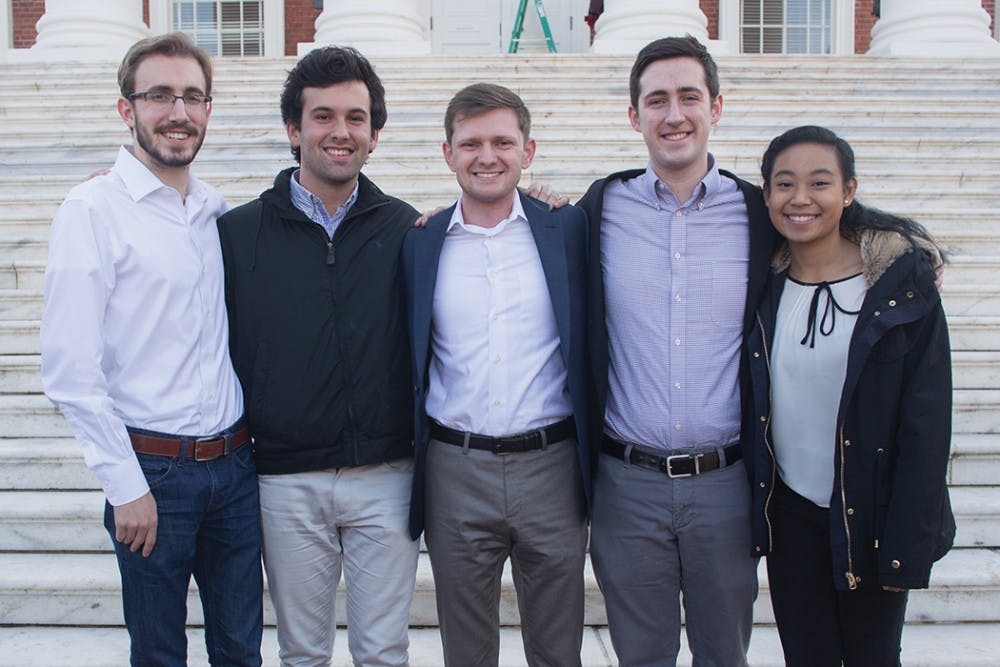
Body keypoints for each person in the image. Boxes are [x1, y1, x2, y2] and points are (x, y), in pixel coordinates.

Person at [40, 33, 262, 666]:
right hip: (152, 475)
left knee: (241, 652)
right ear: (126, 109)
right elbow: (70, 373)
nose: (178, 112)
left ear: (209, 110)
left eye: (193, 96)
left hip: (235, 468)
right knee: (160, 653)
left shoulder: (214, 210)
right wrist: (123, 485)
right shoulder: (92, 211)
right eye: (159, 95)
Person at [575, 35, 777, 665]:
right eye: (656, 100)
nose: (674, 114)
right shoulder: (600, 207)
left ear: (716, 106)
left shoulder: (759, 212)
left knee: (725, 654)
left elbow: (831, 218)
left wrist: (899, 247)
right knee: (641, 656)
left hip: (726, 483)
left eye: (689, 96)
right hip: (626, 483)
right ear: (635, 116)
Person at [216, 47, 420, 667]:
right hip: (284, 480)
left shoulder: (407, 228)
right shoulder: (236, 233)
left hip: (386, 478)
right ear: (293, 129)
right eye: (323, 116)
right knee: (302, 653)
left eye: (356, 118)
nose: (340, 131)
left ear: (374, 135)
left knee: (383, 652)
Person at [747, 125, 955, 666]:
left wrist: (906, 550)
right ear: (766, 193)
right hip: (792, 517)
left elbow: (926, 426)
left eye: (820, 183)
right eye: (784, 184)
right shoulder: (762, 286)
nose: (800, 199)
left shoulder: (900, 290)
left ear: (849, 189)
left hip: (872, 516)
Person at [402, 83, 591, 667]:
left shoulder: (569, 229)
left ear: (528, 152)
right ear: (447, 153)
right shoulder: (419, 239)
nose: (488, 156)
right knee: (467, 650)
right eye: (471, 143)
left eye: (503, 142)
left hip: (552, 468)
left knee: (558, 649)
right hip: (456, 468)